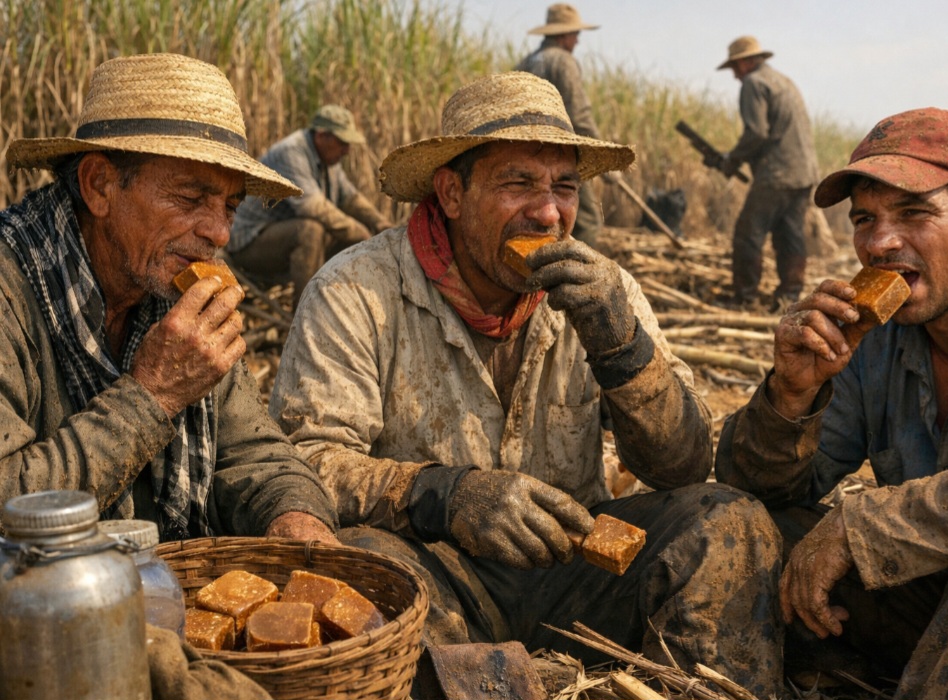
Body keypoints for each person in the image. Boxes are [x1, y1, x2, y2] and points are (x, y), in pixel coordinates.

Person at [268, 71, 784, 696]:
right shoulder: (355, 289)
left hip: (577, 567)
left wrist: (621, 346)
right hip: (435, 573)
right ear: (452, 194)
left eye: (563, 187)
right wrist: (447, 495)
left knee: (730, 523)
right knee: (354, 585)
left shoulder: (605, 291)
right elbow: (303, 462)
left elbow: (683, 466)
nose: (548, 212)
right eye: (518, 183)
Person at [715, 107, 948, 698]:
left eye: (914, 213)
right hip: (944, 592)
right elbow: (757, 490)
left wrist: (865, 524)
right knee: (745, 530)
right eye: (864, 219)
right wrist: (792, 394)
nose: (879, 243)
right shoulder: (877, 329)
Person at [0, 53, 338, 545]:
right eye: (189, 198)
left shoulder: (174, 287)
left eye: (229, 206)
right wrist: (153, 395)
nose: (219, 233)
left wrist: (297, 518)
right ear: (100, 186)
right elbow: (10, 503)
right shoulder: (12, 289)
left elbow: (256, 454)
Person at [228, 104, 393, 307]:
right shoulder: (291, 152)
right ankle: (305, 315)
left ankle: (340, 307)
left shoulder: (329, 160)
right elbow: (312, 207)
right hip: (249, 242)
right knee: (311, 231)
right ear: (322, 136)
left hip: (279, 236)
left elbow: (350, 198)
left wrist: (381, 225)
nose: (347, 150)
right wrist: (362, 234)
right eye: (342, 142)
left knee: (344, 236)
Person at [717, 36, 819, 311]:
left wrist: (732, 160)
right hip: (804, 172)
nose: (736, 76)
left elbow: (757, 133)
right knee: (790, 234)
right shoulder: (783, 81)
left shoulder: (754, 83)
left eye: (735, 68)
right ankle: (790, 295)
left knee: (748, 234)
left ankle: (744, 298)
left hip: (778, 173)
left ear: (746, 62)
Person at [517, 4, 605, 247]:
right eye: (575, 34)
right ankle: (576, 277)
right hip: (557, 152)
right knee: (587, 219)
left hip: (520, 151)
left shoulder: (526, 62)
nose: (577, 41)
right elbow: (580, 115)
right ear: (563, 34)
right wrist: (600, 154)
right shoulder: (564, 62)